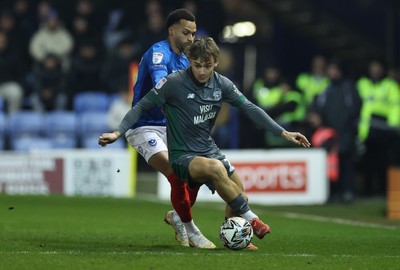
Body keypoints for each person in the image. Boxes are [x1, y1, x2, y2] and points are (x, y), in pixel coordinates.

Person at [98, 37, 311, 248]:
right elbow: (141, 106)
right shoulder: (173, 83)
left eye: (207, 66)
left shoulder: (222, 84)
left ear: (215, 63)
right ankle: (253, 219)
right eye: (197, 65)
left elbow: (250, 108)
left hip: (209, 150)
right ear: (190, 61)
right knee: (217, 170)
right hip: (183, 155)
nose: (202, 71)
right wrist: (118, 132)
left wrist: (283, 133)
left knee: (239, 193)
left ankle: (234, 239)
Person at [118, 8, 216, 249]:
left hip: (172, 127)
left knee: (197, 175)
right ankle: (192, 231)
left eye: (193, 33)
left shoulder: (186, 59)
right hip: (145, 127)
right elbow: (162, 88)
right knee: (176, 173)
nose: (191, 38)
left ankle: (176, 216)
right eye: (186, 32)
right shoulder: (158, 54)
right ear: (171, 31)